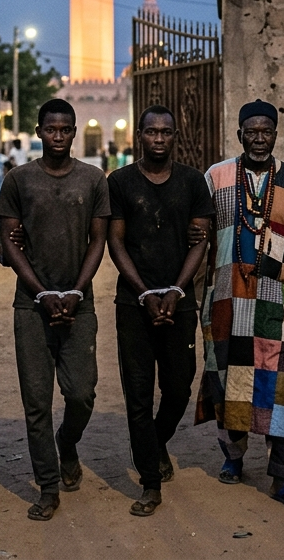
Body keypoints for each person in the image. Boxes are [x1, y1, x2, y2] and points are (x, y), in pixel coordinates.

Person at [196, 99, 284, 510]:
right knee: (230, 379)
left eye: (267, 132)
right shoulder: (217, 177)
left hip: (283, 302)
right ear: (240, 134)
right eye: (251, 132)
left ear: (276, 134)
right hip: (227, 296)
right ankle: (233, 458)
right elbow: (197, 238)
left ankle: (280, 477)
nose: (259, 139)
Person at [0, 98, 110, 521]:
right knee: (36, 402)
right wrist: (41, 292)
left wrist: (77, 292)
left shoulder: (93, 179)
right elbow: (9, 239)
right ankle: (47, 485)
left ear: (74, 132)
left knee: (82, 393)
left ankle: (69, 442)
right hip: (31, 306)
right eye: (51, 129)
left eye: (66, 130)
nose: (58, 137)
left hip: (79, 305)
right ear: (39, 131)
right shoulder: (18, 180)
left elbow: (97, 240)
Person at [105, 105, 214, 517]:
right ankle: (150, 481)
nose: (159, 139)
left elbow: (200, 240)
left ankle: (154, 441)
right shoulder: (120, 182)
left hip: (179, 301)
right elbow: (116, 243)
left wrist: (175, 291)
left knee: (179, 387)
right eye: (151, 132)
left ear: (175, 136)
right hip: (133, 303)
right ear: (139, 135)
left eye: (166, 132)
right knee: (137, 393)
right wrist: (145, 294)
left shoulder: (192, 182)